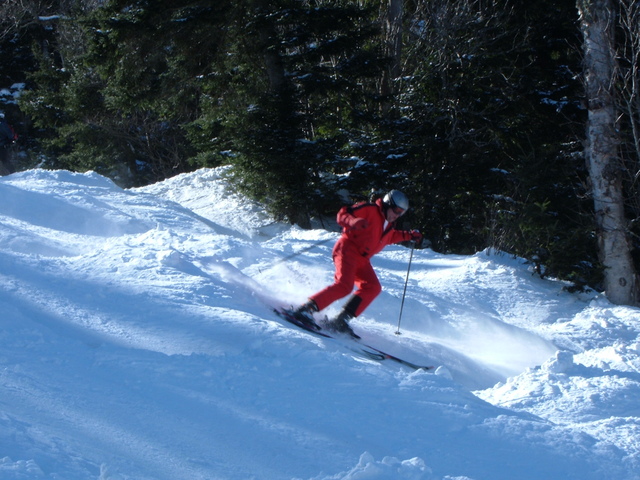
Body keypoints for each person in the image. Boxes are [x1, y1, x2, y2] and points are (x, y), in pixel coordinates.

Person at [293, 189, 423, 337]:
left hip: (362, 259)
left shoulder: (388, 226)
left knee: (373, 287)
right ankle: (306, 309)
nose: (397, 215)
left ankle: (341, 320)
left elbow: (391, 236)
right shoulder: (370, 210)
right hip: (347, 249)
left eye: (401, 212)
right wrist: (353, 221)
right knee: (344, 286)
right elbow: (343, 214)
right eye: (396, 210)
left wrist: (410, 236)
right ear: (388, 204)